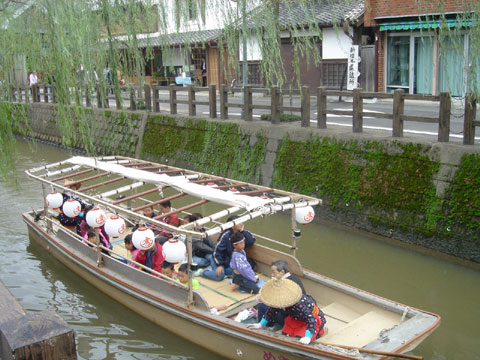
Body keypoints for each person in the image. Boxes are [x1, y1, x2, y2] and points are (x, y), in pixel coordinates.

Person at [248, 279, 326, 345]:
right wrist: (261, 324)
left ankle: (318, 332)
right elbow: (271, 311)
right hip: (295, 318)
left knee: (299, 340)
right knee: (286, 335)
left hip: (313, 320)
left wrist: (308, 336)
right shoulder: (279, 301)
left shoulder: (299, 305)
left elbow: (311, 319)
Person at [202, 215, 255, 282]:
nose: (241, 224)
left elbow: (250, 241)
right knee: (219, 276)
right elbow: (217, 251)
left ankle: (223, 272)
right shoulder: (226, 236)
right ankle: (203, 272)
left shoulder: (242, 233)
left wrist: (242, 231)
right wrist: (220, 265)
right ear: (232, 226)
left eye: (241, 221)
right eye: (238, 223)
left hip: (231, 262)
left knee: (246, 268)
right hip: (220, 260)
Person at [257, 260, 307, 326]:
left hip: (288, 319)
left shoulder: (282, 285)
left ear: (282, 272)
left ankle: (264, 325)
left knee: (261, 305)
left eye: (273, 272)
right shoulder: (295, 279)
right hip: (298, 314)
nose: (272, 275)